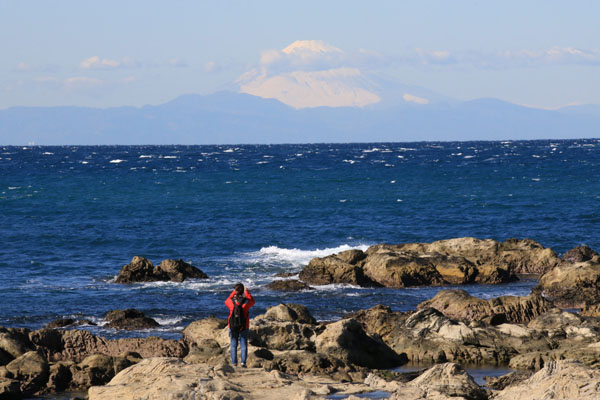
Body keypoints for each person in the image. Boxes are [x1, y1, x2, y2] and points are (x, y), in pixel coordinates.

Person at [225, 282, 255, 367]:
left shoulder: (231, 302)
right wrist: (247, 293)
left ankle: (234, 363)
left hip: (232, 325)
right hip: (244, 325)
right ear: (242, 292)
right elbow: (253, 301)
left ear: (235, 291)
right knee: (243, 344)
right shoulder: (246, 302)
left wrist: (233, 292)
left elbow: (226, 301)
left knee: (233, 344)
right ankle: (243, 363)